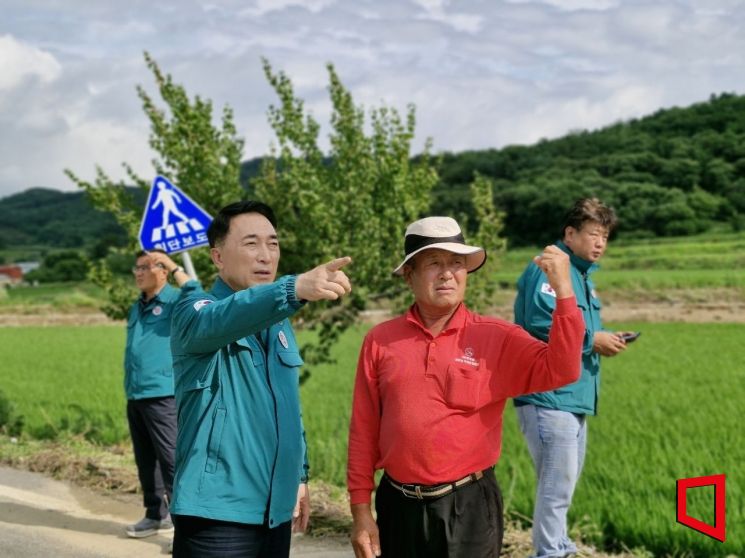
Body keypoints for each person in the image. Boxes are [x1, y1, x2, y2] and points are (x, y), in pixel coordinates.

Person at [347, 216, 586, 558]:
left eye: (456, 263)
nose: (447, 273)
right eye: (433, 263)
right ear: (409, 275)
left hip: (469, 507)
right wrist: (360, 513)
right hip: (397, 506)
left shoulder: (496, 337)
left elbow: (563, 369)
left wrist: (564, 291)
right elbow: (363, 430)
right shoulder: (380, 341)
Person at [168, 200, 352, 558]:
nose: (266, 255)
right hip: (217, 515)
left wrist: (298, 478)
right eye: (251, 244)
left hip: (274, 514)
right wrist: (292, 288)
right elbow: (227, 316)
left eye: (273, 243)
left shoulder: (277, 322)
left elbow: (287, 407)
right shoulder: (195, 312)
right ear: (218, 257)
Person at [513, 197, 630, 558]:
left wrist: (601, 333)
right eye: (593, 234)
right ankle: (550, 553)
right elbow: (540, 322)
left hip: (573, 395)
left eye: (605, 237)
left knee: (564, 483)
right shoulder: (549, 268)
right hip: (550, 396)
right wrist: (593, 339)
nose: (600, 243)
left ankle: (559, 547)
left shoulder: (580, 275)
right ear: (570, 233)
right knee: (556, 485)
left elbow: (575, 325)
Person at [124, 248, 190, 539]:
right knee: (145, 461)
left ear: (162, 270)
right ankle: (155, 514)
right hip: (136, 393)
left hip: (163, 394)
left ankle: (185, 527)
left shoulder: (176, 300)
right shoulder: (136, 306)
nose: (138, 273)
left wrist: (175, 266)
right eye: (135, 268)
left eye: (145, 267)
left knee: (172, 461)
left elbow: (196, 292)